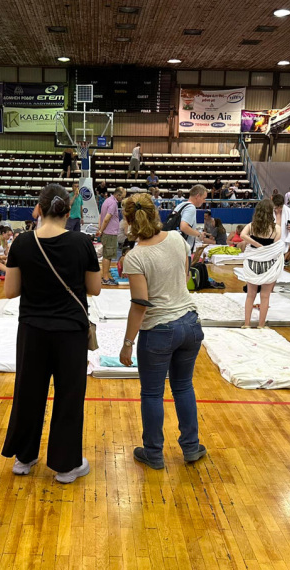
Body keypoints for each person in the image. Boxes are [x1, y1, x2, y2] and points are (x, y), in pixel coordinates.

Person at [1, 184, 101, 483]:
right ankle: (66, 465)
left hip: (32, 329)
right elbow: (94, 289)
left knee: (28, 392)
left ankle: (24, 457)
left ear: (39, 209)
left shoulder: (21, 243)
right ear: (69, 209)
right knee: (69, 396)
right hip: (70, 331)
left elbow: (10, 291)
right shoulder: (81, 243)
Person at [118, 192, 206, 470]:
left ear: (129, 220)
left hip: (158, 330)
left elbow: (141, 305)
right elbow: (184, 275)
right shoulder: (178, 239)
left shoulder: (136, 257)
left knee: (153, 394)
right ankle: (191, 447)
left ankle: (154, 452)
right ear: (156, 213)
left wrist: (128, 342)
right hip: (190, 323)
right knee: (183, 387)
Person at [240, 199, 283, 329]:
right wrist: (263, 248)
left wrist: (256, 245)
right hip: (269, 265)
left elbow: (242, 235)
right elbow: (275, 245)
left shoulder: (251, 225)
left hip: (252, 264)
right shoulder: (276, 228)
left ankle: (247, 323)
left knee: (250, 295)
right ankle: (261, 325)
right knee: (265, 296)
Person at [97, 187, 125, 285]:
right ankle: (105, 278)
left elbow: (101, 216)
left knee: (107, 255)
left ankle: (105, 276)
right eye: (122, 197)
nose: (122, 200)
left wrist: (100, 229)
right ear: (118, 195)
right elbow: (106, 219)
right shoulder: (113, 203)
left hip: (107, 232)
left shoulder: (107, 201)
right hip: (110, 233)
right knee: (107, 256)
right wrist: (101, 230)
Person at [174, 184, 209, 257]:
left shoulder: (181, 205)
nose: (204, 201)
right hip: (184, 250)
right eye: (203, 198)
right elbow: (183, 227)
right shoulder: (191, 208)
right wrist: (199, 234)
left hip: (175, 247)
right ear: (197, 196)